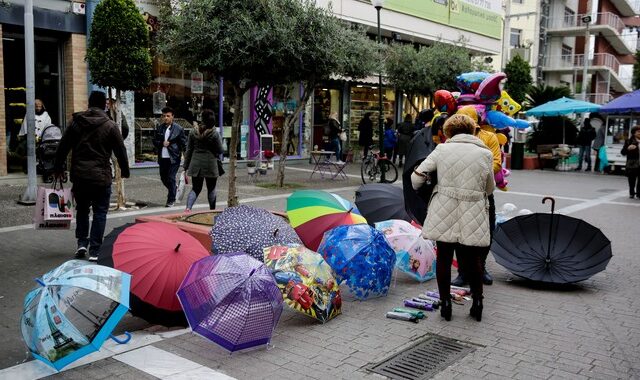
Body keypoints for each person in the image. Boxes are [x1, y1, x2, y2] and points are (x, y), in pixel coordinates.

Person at [411, 114, 494, 322]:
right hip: (472, 210)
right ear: (472, 130)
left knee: (444, 258)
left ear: (449, 131)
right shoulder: (484, 153)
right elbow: (490, 187)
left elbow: (416, 177)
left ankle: (446, 304)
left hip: (443, 208)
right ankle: (477, 302)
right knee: (473, 258)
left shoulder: (442, 150)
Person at [54, 91, 129, 261]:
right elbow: (120, 151)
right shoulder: (110, 126)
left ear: (89, 104)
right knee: (100, 212)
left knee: (82, 210)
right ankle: (95, 250)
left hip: (80, 176)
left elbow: (63, 146)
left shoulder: (76, 122)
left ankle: (81, 243)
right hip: (101, 177)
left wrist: (58, 167)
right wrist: (124, 170)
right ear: (104, 105)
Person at [183, 109, 224, 212]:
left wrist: (185, 166)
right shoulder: (214, 133)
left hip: (196, 163)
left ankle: (188, 208)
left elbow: (189, 150)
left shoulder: (193, 132)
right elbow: (220, 150)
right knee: (211, 188)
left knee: (195, 188)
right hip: (210, 164)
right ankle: (212, 210)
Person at [153, 106, 187, 207]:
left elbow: (184, 144)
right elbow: (154, 141)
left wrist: (186, 158)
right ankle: (174, 189)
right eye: (164, 116)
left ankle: (170, 200)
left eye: (168, 116)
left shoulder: (179, 129)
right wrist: (161, 143)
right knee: (164, 178)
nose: (166, 118)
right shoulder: (160, 128)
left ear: (173, 117)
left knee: (171, 178)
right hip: (162, 157)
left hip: (174, 157)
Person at [621, 126, 640, 199]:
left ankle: (639, 194)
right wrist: (628, 148)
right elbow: (623, 152)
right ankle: (631, 192)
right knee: (632, 179)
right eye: (638, 132)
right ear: (634, 133)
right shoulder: (629, 141)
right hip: (632, 164)